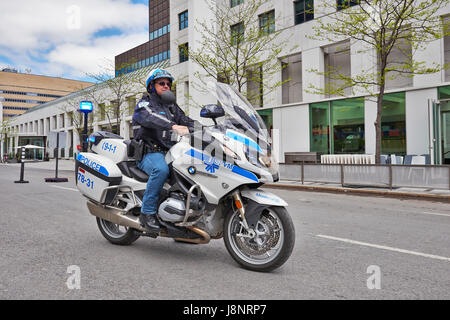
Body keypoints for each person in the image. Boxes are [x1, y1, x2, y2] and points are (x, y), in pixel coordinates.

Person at [132, 69, 196, 232]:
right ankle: (147, 213)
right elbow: (150, 117)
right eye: (161, 83)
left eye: (168, 83)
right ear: (151, 86)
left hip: (171, 152)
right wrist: (172, 125)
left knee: (193, 170)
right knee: (160, 170)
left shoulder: (172, 107)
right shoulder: (144, 104)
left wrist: (209, 128)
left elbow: (186, 121)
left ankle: (183, 218)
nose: (166, 86)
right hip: (149, 152)